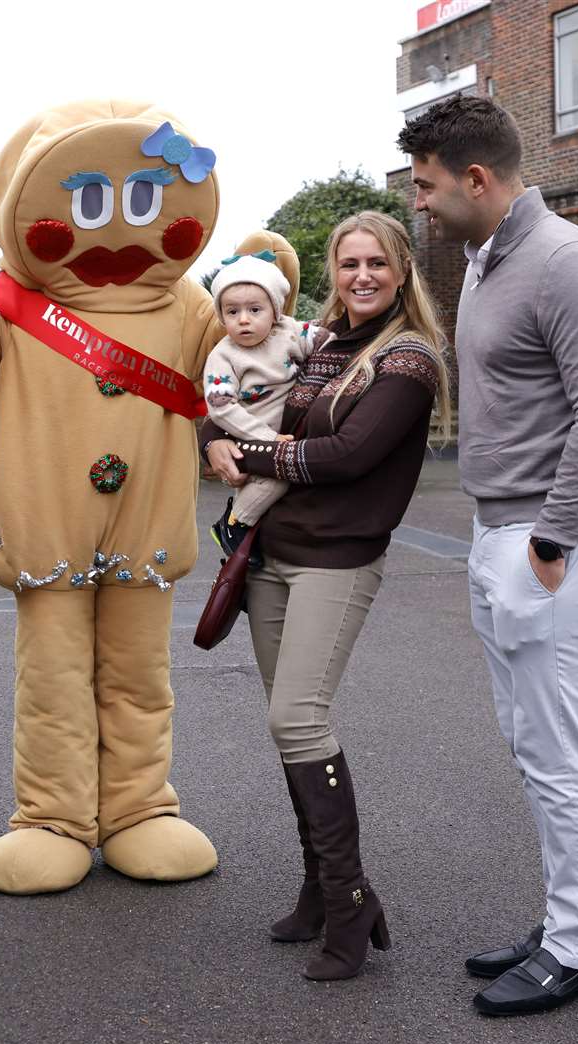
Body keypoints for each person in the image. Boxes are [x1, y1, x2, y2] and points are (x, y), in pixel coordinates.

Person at [401, 95, 578, 1016]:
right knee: (530, 744)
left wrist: (548, 543)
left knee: (556, 755)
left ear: (476, 179)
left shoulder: (565, 262)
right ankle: (572, 918)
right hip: (505, 535)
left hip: (554, 545)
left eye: (427, 186)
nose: (419, 201)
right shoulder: (484, 257)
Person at [204, 210, 452, 981]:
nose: (362, 277)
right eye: (348, 265)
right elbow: (244, 404)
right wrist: (210, 438)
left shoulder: (408, 357)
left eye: (376, 262)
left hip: (337, 560)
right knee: (290, 730)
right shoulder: (319, 344)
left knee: (297, 717)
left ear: (402, 267)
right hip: (272, 555)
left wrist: (246, 447)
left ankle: (349, 901)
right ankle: (318, 887)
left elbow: (346, 455)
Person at [202, 250, 322, 554]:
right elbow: (221, 406)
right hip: (252, 437)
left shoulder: (290, 332)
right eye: (232, 312)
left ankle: (254, 526)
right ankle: (233, 524)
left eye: (255, 310)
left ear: (275, 311)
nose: (243, 320)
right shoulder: (224, 355)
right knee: (276, 481)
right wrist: (268, 440)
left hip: (285, 436)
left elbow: (329, 343)